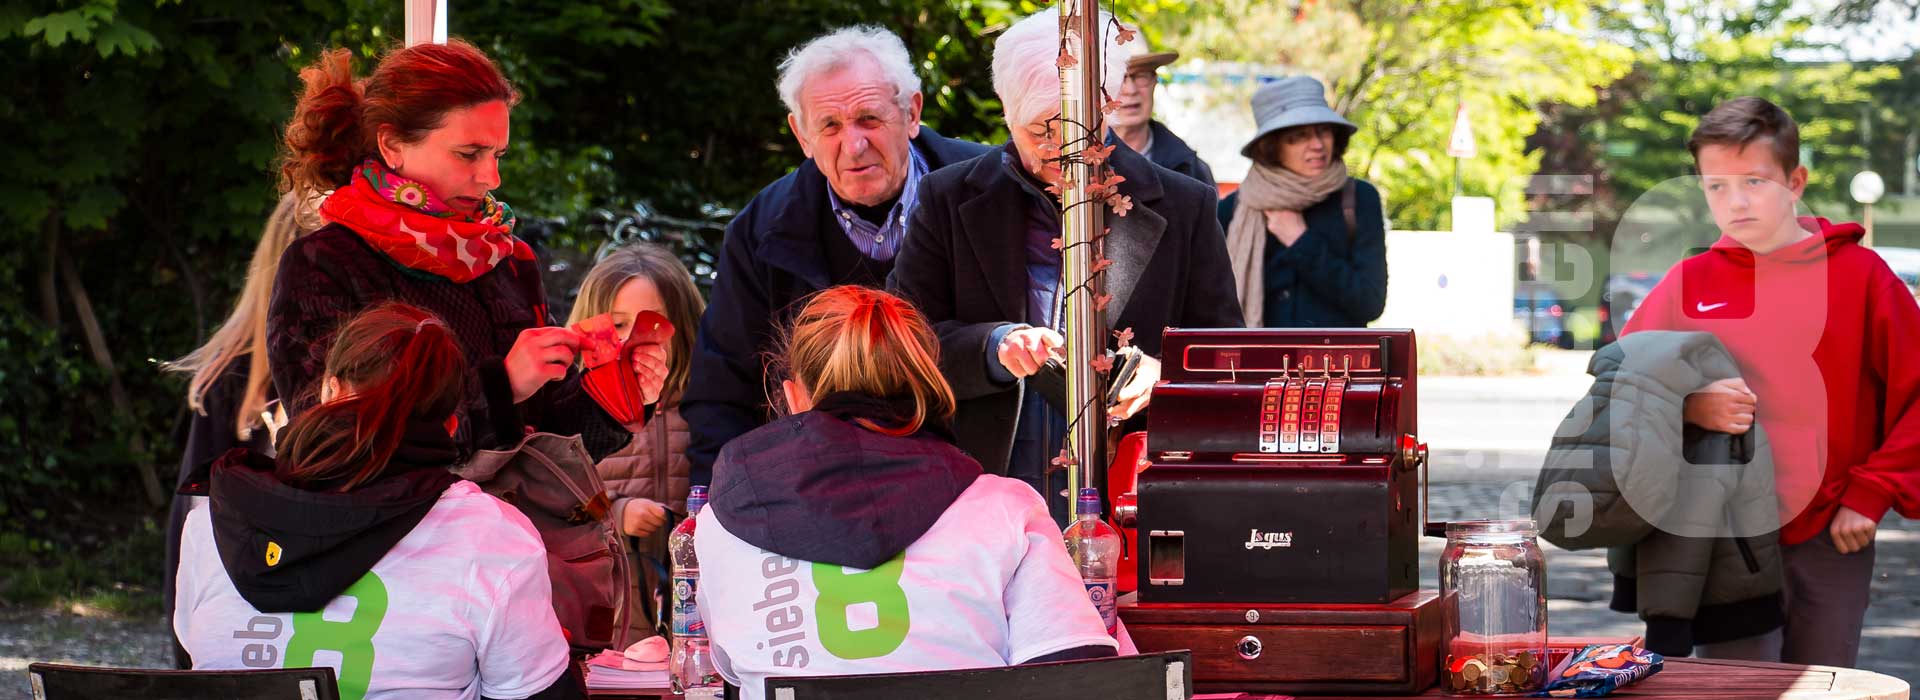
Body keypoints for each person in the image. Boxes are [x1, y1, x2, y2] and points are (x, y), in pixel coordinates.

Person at [888, 7, 1241, 511]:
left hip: (1132, 493)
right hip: (981, 494)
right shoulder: (948, 198)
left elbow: (1225, 360)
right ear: (1006, 113)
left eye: (1079, 129)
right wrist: (993, 347)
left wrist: (1162, 377)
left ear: (1107, 106)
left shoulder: (1185, 205)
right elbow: (902, 344)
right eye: (1039, 131)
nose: (1061, 149)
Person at [694, 286, 1116, 700]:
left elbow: (728, 668)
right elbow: (1075, 672)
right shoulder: (1005, 508)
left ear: (793, 396)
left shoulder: (723, 522)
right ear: (927, 386)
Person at [1621, 96, 1920, 665]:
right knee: (1735, 687)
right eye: (1716, 186)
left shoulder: (1862, 277)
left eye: (1754, 181)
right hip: (1721, 538)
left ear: (1795, 182)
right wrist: (1690, 405)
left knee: (1822, 686)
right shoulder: (1688, 282)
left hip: (1831, 533)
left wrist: (1874, 492)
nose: (1735, 201)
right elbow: (1621, 386)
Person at [269, 40, 665, 462]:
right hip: (406, 509)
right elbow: (329, 444)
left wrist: (618, 393)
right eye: (469, 154)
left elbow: (551, 444)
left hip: (510, 509)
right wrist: (501, 386)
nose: (491, 177)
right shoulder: (325, 264)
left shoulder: (506, 258)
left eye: (498, 155)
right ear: (392, 145)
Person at [174, 303, 579, 700]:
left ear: (330, 391)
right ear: (451, 425)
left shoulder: (213, 521)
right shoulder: (490, 538)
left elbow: (201, 660)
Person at [683, 26, 989, 488]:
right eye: (829, 126)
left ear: (911, 112)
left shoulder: (989, 192)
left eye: (869, 118)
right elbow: (723, 391)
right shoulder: (760, 230)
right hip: (824, 489)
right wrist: (719, 506)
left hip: (978, 480)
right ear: (801, 135)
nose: (854, 145)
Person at [163, 191, 317, 668]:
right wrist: (189, 656)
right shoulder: (232, 376)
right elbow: (192, 525)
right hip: (246, 615)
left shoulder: (361, 369)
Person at [564, 243, 705, 642]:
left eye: (653, 322)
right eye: (619, 324)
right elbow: (555, 501)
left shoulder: (704, 406)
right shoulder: (577, 411)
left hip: (697, 609)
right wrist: (616, 512)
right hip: (614, 613)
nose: (631, 339)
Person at [1216, 76, 1387, 329]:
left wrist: (1300, 240)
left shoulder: (1358, 198)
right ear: (1272, 146)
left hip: (1335, 354)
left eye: (1324, 131)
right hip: (1257, 354)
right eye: (1299, 136)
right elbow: (1210, 302)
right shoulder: (1232, 210)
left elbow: (1370, 302)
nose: (1317, 145)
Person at [1105, 34, 1215, 190]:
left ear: (1155, 81)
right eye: (1118, 78)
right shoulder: (1076, 163)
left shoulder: (1193, 170)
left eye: (1141, 76)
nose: (1131, 90)